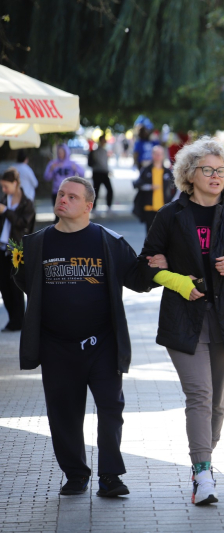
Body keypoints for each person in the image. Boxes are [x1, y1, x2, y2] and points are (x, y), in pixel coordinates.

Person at [138, 137, 224, 505]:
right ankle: (203, 473)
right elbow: (143, 266)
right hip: (185, 317)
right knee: (200, 394)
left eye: (221, 170)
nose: (215, 175)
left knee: (218, 403)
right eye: (207, 170)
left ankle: (203, 463)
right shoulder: (171, 215)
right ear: (189, 175)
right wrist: (173, 278)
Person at [13, 176, 151, 497]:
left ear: (89, 206)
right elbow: (23, 280)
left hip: (101, 343)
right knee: (63, 414)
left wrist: (156, 267)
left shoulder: (108, 241)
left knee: (110, 408)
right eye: (61, 194)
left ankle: (110, 476)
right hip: (56, 345)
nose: (63, 199)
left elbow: (136, 276)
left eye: (72, 196)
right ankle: (75, 474)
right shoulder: (35, 244)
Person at [0, 168, 35, 331]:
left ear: (15, 184)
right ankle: (13, 319)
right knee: (3, 286)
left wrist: (6, 212)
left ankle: (18, 320)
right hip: (2, 248)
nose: (4, 190)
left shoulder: (26, 203)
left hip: (16, 250)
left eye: (6, 186)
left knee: (15, 286)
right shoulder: (3, 199)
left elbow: (23, 224)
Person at [133, 146, 176, 234]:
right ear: (152, 155)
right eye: (156, 154)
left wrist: (171, 201)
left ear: (163, 155)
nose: (158, 156)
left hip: (163, 208)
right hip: (149, 207)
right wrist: (149, 187)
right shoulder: (146, 170)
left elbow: (174, 188)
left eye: (160, 154)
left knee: (163, 234)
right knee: (150, 233)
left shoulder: (167, 172)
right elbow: (137, 184)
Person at [88, 137, 113, 211]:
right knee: (96, 190)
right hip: (98, 172)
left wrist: (108, 170)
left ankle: (108, 205)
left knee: (109, 190)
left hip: (104, 172)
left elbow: (105, 163)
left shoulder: (105, 151)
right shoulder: (96, 151)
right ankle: (94, 206)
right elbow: (100, 162)